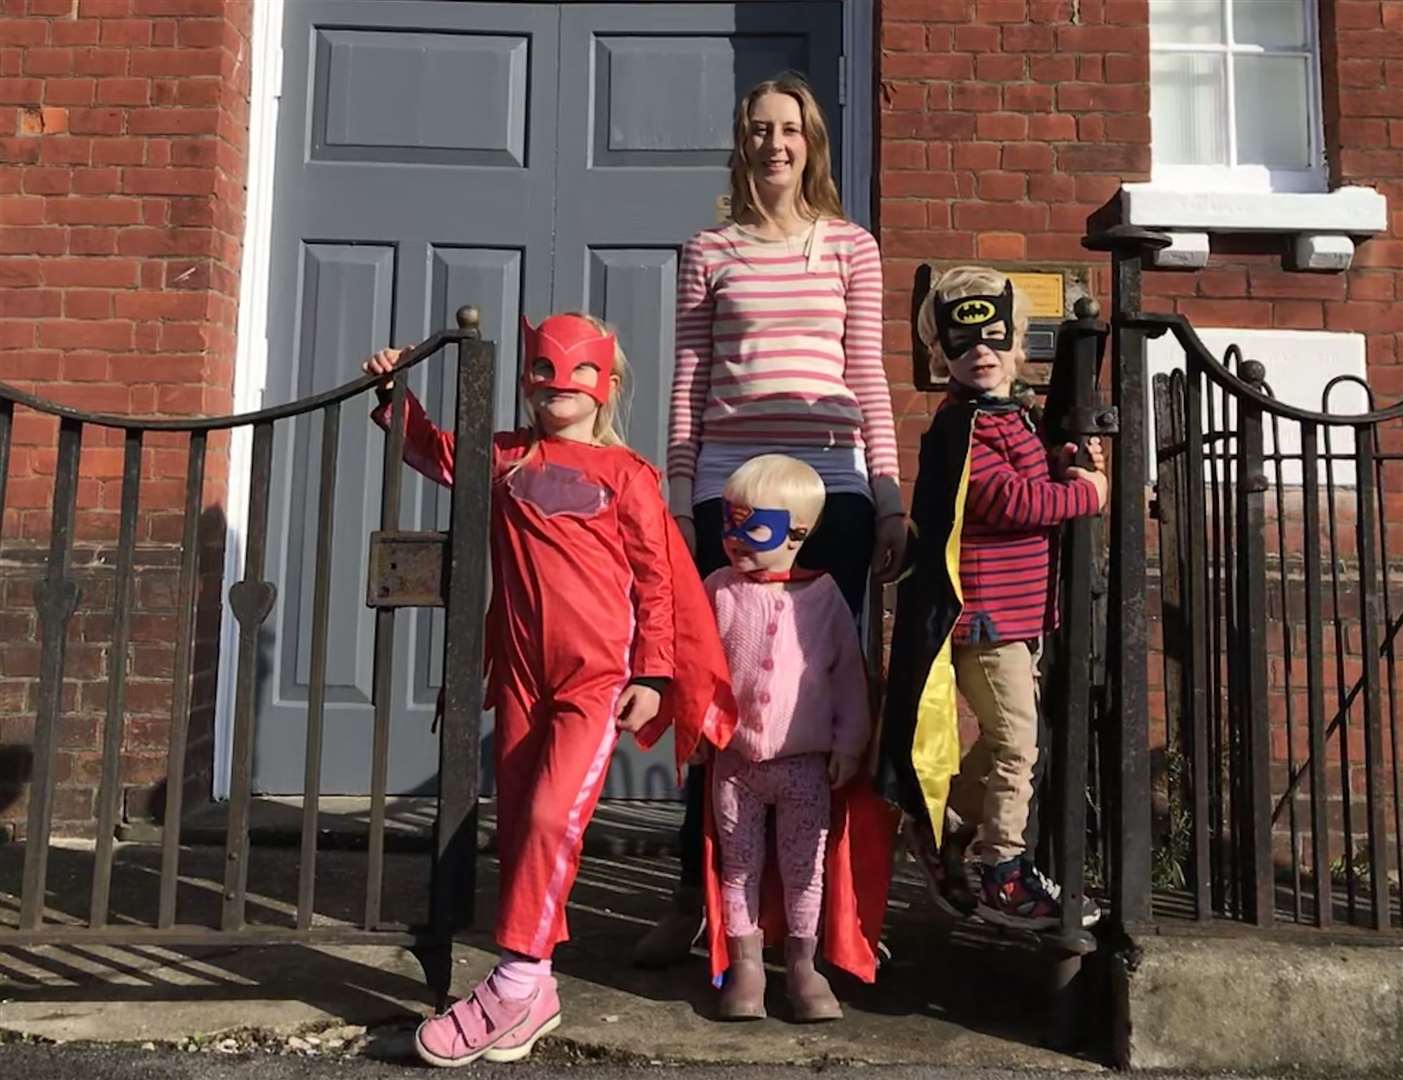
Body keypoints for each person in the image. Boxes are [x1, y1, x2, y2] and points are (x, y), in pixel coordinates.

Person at [363, 313, 734, 1065]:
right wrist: (395, 394)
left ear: (608, 385)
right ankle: (535, 985)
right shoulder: (503, 456)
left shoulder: (629, 475)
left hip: (595, 680)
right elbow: (433, 453)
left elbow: (657, 582)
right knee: (525, 820)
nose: (558, 385)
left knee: (547, 817)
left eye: (579, 371)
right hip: (521, 675)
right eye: (543, 369)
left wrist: (654, 672)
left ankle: (515, 980)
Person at [637, 71, 904, 968]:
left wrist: (891, 495)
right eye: (758, 128)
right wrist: (681, 503)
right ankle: (699, 902)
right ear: (741, 141)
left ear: (811, 142)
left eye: (789, 129)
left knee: (819, 699)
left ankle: (820, 926)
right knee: (721, 698)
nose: (773, 143)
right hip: (730, 485)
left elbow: (865, 376)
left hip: (832, 488)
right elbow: (687, 385)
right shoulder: (708, 250)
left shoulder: (850, 248)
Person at [878, 267, 1108, 930]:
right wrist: (1085, 493)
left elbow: (1029, 475)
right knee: (1015, 744)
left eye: (991, 337)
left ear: (1017, 346)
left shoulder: (1011, 420)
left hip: (1017, 615)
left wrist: (1062, 456)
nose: (978, 350)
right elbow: (1010, 500)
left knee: (1011, 741)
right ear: (938, 354)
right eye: (960, 342)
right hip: (982, 617)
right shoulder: (964, 427)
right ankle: (999, 868)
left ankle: (938, 821)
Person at [699, 455, 888, 1022]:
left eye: (752, 526)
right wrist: (698, 731)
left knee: (806, 865)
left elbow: (848, 678)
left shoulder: (825, 597)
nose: (734, 539)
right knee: (739, 866)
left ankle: (804, 966)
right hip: (736, 765)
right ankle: (747, 966)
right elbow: (700, 667)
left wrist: (849, 744)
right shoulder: (719, 589)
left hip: (804, 764)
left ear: (796, 534)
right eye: (728, 524)